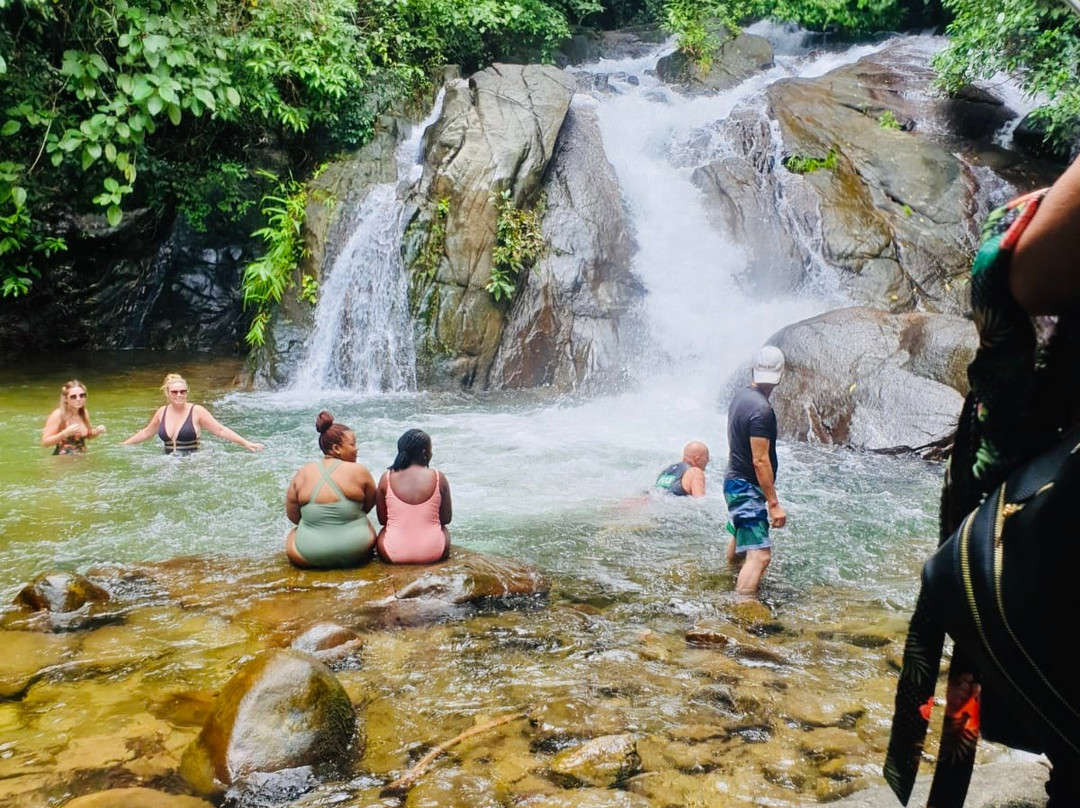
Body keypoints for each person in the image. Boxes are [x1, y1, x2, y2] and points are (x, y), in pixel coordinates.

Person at [723, 345, 787, 597]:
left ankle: (726, 579)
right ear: (781, 374)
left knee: (741, 538)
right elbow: (760, 460)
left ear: (753, 370)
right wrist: (774, 503)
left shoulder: (740, 397)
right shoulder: (762, 410)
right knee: (760, 556)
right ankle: (742, 605)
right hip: (746, 486)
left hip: (734, 480)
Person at [284, 411, 378, 569]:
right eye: (353, 444)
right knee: (365, 521)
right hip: (357, 550)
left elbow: (293, 516)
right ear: (336, 448)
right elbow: (368, 506)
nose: (356, 449)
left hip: (308, 554)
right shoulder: (360, 471)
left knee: (293, 533)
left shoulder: (303, 473)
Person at [122, 373, 264, 455]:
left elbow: (220, 430)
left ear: (187, 392)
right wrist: (123, 445)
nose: (179, 395)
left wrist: (245, 443)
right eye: (175, 392)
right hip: (167, 460)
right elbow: (146, 433)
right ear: (167, 393)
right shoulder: (162, 412)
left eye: (182, 391)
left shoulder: (197, 411)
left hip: (193, 462)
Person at [375, 428, 452, 564]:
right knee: (443, 529)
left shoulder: (386, 478)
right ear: (424, 452)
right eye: (430, 449)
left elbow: (382, 520)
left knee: (383, 531)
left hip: (393, 554)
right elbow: (446, 519)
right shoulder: (438, 477)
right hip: (434, 552)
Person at [41, 380, 106, 455]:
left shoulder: (84, 413)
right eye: (73, 397)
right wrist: (65, 433)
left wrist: (97, 431)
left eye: (82, 395)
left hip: (82, 458)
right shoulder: (58, 415)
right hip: (63, 460)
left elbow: (88, 435)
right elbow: (45, 442)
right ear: (66, 399)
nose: (78, 399)